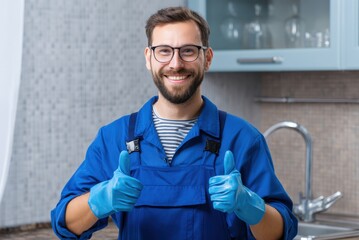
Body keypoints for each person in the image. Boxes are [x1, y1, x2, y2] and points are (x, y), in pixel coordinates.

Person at [51, 6, 298, 240]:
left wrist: (250, 207)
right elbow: (65, 223)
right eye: (164, 51)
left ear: (207, 58)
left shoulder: (242, 138)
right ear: (149, 58)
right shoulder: (114, 137)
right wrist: (99, 199)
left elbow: (280, 232)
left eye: (188, 50)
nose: (176, 63)